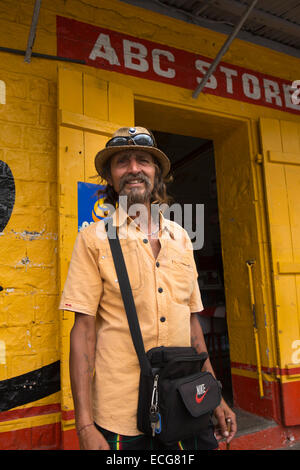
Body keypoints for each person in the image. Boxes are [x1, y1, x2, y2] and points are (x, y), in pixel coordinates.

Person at [59, 126, 237, 450]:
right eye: (122, 162)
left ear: (157, 174)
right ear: (111, 177)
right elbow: (83, 331)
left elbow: (192, 325)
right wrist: (84, 425)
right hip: (120, 416)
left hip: (187, 402)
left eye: (143, 160)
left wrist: (214, 395)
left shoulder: (181, 238)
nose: (134, 169)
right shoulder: (92, 240)